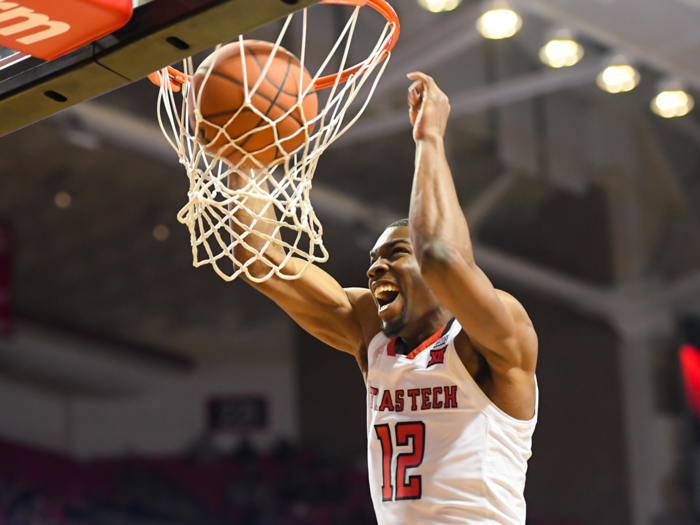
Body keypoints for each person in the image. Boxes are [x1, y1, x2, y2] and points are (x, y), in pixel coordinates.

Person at [229, 72, 538, 525]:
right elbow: (260, 260)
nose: (374, 269)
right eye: (373, 259)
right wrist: (243, 149)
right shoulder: (372, 337)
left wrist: (429, 138)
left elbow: (440, 255)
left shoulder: (494, 339)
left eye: (395, 254)